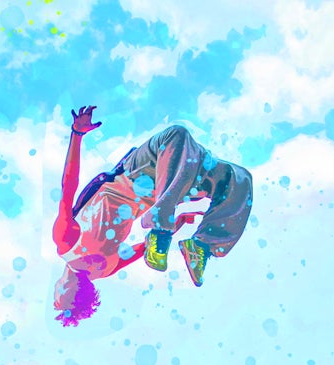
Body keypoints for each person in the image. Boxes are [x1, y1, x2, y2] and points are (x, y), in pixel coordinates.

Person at [52, 105, 253, 326]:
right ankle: (201, 244)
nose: (54, 299)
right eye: (57, 302)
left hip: (160, 184)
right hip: (142, 177)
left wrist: (173, 224)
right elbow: (68, 186)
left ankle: (178, 232)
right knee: (232, 176)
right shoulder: (66, 244)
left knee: (231, 175)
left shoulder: (103, 268)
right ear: (67, 291)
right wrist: (77, 134)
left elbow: (147, 248)